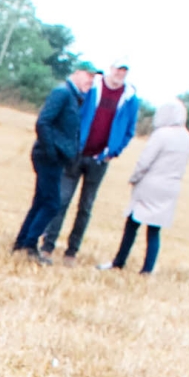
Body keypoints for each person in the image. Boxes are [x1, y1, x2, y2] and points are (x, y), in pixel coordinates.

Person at [13, 61, 96, 264]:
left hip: (56, 156)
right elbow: (43, 121)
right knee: (51, 203)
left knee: (42, 201)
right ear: (76, 73)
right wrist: (51, 150)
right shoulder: (63, 93)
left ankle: (22, 243)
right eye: (88, 76)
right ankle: (29, 244)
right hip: (48, 156)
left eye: (94, 79)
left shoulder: (75, 97)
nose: (90, 81)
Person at [56, 63, 138, 261]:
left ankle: (72, 251)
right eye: (118, 69)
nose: (120, 73)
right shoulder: (93, 88)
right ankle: (48, 243)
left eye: (124, 71)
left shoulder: (130, 98)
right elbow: (76, 113)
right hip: (77, 153)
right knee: (62, 199)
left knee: (86, 206)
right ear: (111, 68)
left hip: (100, 160)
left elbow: (129, 130)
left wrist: (114, 152)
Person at [110, 99, 189, 275]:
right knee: (154, 229)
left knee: (132, 223)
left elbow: (145, 161)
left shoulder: (161, 134)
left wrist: (134, 178)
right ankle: (147, 269)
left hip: (151, 184)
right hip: (171, 187)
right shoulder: (187, 137)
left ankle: (119, 261)